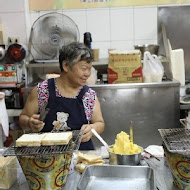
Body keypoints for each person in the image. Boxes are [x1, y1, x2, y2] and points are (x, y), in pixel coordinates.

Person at [19, 42, 105, 150]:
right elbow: (23, 118)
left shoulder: (89, 95)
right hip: (47, 158)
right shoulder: (42, 90)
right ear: (66, 66)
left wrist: (92, 128)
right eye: (83, 68)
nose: (87, 74)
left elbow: (100, 123)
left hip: (80, 156)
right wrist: (29, 122)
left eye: (89, 69)